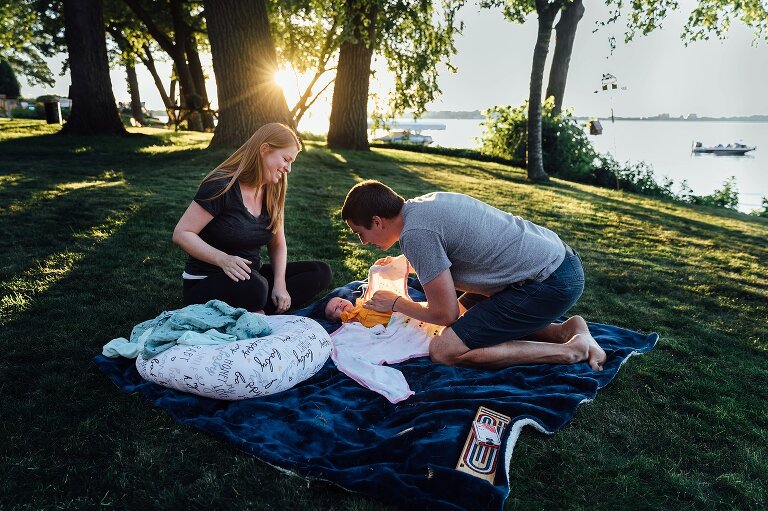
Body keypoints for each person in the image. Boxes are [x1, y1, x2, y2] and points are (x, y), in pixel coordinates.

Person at [340, 180, 606, 371]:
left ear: (377, 221)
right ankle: (566, 330)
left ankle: (569, 351)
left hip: (550, 282)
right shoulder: (421, 209)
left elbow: (445, 315)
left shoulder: (415, 235)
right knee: (463, 319)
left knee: (445, 349)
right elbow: (449, 301)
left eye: (359, 233)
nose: (363, 242)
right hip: (556, 263)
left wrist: (396, 304)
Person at [172, 123, 332, 314]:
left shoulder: (273, 190)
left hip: (251, 277)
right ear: (264, 149)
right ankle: (259, 306)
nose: (288, 168)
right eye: (286, 159)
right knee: (256, 289)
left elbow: (278, 244)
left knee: (320, 272)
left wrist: (280, 285)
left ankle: (259, 310)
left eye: (292, 163)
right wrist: (223, 259)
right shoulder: (222, 185)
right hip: (208, 279)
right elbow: (182, 233)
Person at [324, 296, 393, 327]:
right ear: (334, 319)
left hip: (390, 310)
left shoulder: (360, 302)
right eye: (336, 308)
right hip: (388, 323)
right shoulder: (349, 321)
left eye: (341, 301)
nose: (340, 304)